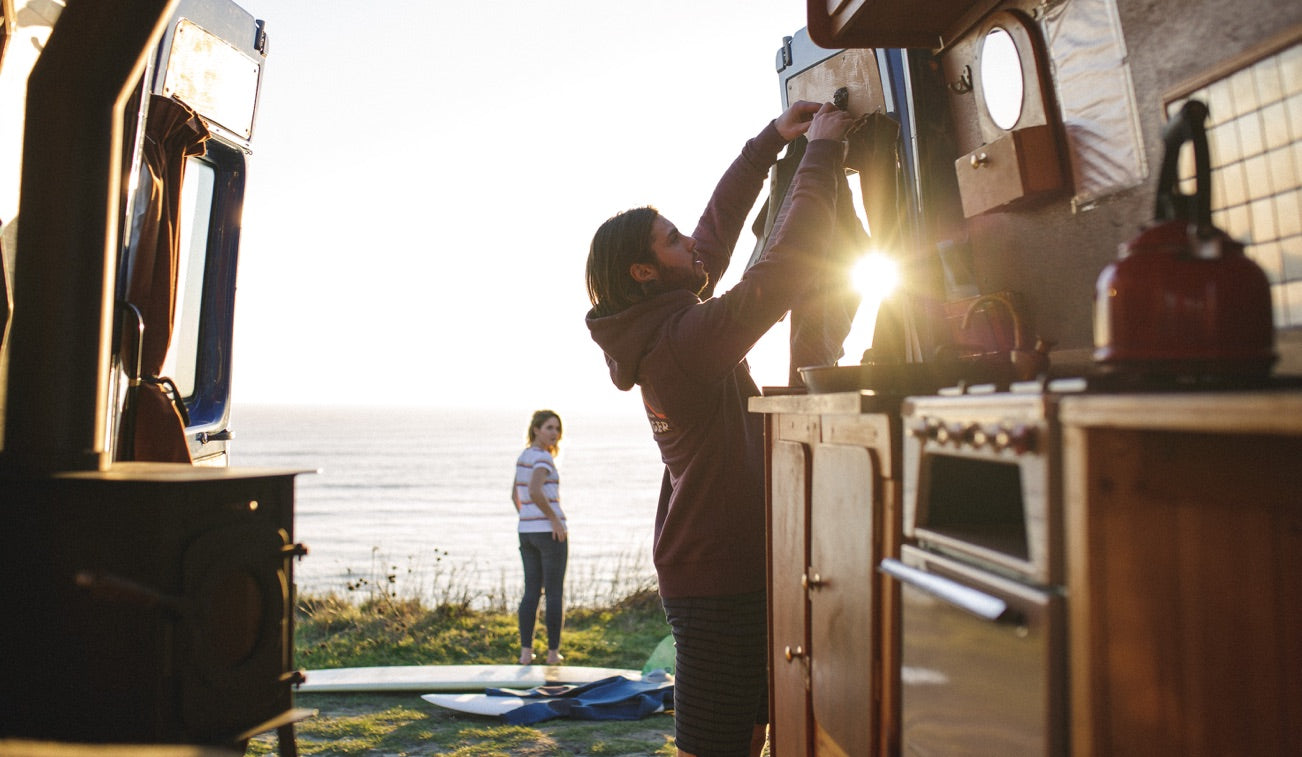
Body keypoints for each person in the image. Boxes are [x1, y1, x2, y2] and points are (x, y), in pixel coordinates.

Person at [584, 101, 856, 757]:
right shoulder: (682, 342)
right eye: (671, 241)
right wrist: (820, 152)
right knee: (716, 744)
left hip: (734, 562)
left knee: (755, 729)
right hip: (715, 578)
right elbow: (780, 271)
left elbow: (713, 235)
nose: (690, 246)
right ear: (645, 272)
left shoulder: (667, 319)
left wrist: (767, 145)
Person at [510, 409, 568, 666]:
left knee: (531, 591)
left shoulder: (524, 456)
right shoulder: (543, 458)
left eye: (557, 428)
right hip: (549, 532)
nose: (554, 433)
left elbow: (516, 495)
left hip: (527, 532)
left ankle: (526, 653)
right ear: (536, 429)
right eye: (549, 428)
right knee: (554, 593)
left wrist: (528, 518)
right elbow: (534, 491)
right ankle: (553, 654)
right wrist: (553, 520)